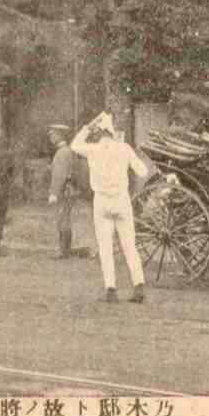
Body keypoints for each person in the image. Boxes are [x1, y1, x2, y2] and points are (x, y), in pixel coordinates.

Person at [71, 111, 149, 303]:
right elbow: (143, 171)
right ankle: (138, 286)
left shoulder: (93, 149)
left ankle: (111, 290)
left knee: (106, 247)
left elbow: (74, 145)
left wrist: (87, 128)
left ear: (98, 134)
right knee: (129, 245)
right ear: (113, 132)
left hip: (102, 201)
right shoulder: (124, 148)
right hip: (122, 199)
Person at [46, 124, 77, 259]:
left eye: (53, 134)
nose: (50, 137)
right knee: (65, 219)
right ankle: (65, 250)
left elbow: (59, 175)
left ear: (60, 135)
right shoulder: (66, 151)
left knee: (62, 220)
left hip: (63, 192)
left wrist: (53, 193)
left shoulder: (62, 152)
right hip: (67, 190)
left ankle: (63, 251)